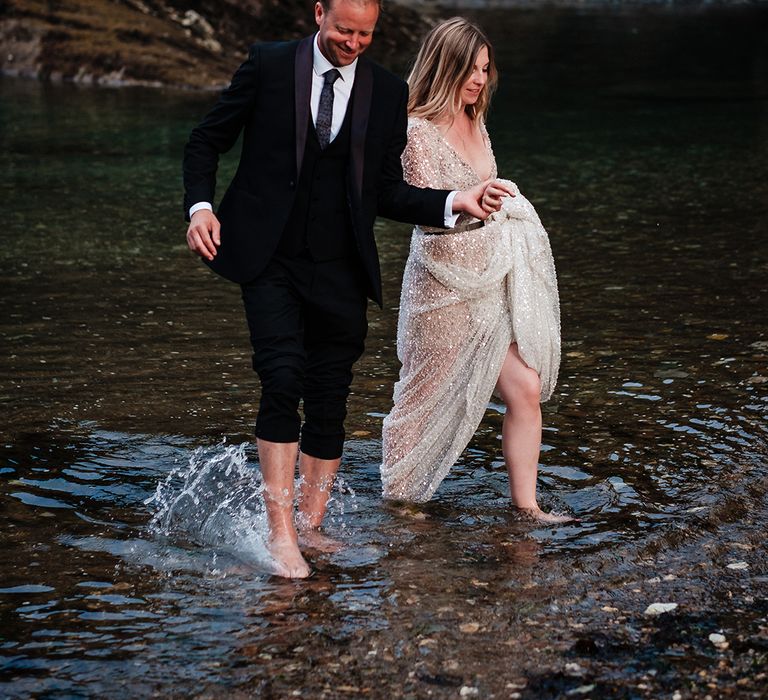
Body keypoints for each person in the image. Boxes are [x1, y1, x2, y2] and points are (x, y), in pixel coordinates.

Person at [182, 1, 512, 578]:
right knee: (282, 377)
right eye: (343, 31)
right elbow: (205, 141)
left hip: (341, 265)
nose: (353, 43)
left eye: (365, 34)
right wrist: (202, 207)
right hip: (268, 257)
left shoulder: (385, 93)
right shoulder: (268, 65)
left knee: (331, 395)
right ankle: (281, 533)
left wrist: (454, 202)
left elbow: (387, 192)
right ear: (318, 14)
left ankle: (311, 527)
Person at [380, 17, 571, 523]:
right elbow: (420, 209)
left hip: (490, 278)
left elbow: (483, 196)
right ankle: (399, 503)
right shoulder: (416, 131)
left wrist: (501, 204)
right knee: (423, 399)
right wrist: (469, 202)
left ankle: (526, 508)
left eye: (486, 69)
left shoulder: (477, 120)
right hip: (442, 284)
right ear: (445, 67)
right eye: (470, 69)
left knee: (525, 388)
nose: (480, 80)